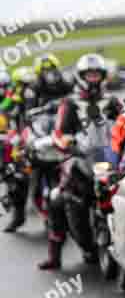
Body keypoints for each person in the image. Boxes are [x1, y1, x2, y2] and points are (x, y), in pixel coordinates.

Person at [37, 53, 119, 270]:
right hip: (80, 158)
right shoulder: (70, 103)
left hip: (107, 159)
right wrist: (65, 142)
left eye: (96, 75)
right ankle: (54, 256)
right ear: (82, 76)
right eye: (89, 75)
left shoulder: (112, 102)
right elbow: (60, 131)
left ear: (102, 77)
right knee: (56, 198)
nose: (93, 79)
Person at [3, 60, 72, 233]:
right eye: (45, 71)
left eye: (52, 70)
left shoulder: (66, 85)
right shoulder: (30, 90)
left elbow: (76, 103)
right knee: (18, 174)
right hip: (34, 133)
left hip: (60, 133)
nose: (50, 74)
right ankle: (18, 216)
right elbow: (24, 113)